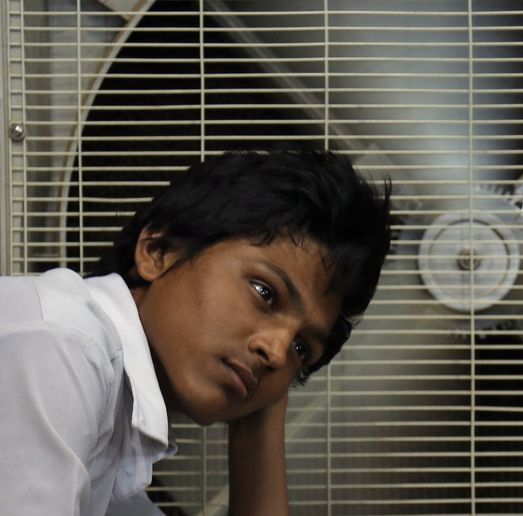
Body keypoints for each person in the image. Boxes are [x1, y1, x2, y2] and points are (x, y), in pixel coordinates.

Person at [0, 149, 392, 515]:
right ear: (158, 251)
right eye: (264, 292)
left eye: (302, 348)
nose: (276, 352)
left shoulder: (114, 433)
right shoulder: (61, 346)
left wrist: (261, 413)